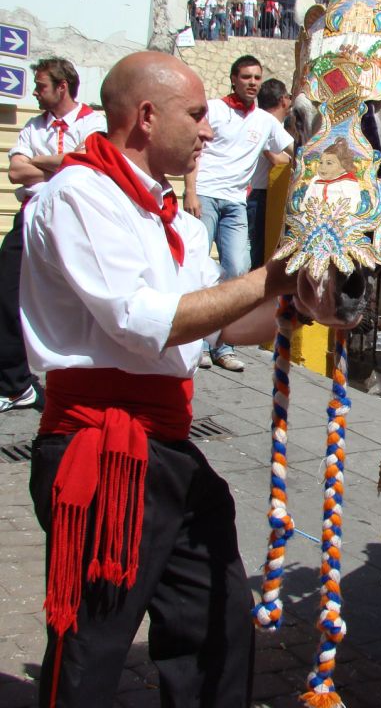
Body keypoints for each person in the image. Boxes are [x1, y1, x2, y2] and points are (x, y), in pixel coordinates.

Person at [19, 51, 299, 708]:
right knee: (92, 642)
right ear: (146, 117)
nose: (209, 131)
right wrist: (269, 276)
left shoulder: (179, 221)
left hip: (166, 448)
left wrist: (300, 301)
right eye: (198, 115)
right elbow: (144, 322)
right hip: (101, 451)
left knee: (217, 614)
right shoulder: (78, 197)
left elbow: (225, 325)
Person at [2, 58, 105, 413]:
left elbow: (89, 163)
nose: (35, 91)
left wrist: (45, 160)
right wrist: (60, 160)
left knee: (79, 298)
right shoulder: (34, 125)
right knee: (7, 293)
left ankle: (82, 380)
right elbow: (16, 171)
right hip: (31, 214)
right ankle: (16, 384)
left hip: (71, 218)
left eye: (42, 86)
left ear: (62, 87)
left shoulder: (95, 122)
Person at [183, 54, 293, 371]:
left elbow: (295, 150)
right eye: (246, 77)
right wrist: (190, 191)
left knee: (238, 270)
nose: (252, 83)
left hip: (236, 202)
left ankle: (224, 345)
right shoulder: (214, 110)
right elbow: (194, 149)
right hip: (204, 195)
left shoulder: (265, 121)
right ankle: (198, 343)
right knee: (197, 269)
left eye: (257, 77)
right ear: (234, 78)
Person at [247, 78, 292, 269]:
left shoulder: (277, 126)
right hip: (261, 197)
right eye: (289, 97)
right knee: (258, 258)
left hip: (274, 196)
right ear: (283, 100)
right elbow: (277, 158)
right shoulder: (263, 123)